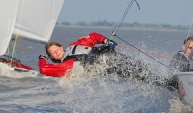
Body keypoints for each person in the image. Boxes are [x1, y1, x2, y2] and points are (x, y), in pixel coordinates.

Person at [38, 32, 176, 89]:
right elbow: (43, 69)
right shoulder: (62, 67)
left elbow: (92, 37)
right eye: (53, 54)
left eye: (56, 49)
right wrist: (42, 59)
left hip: (108, 56)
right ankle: (168, 84)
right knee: (136, 72)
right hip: (104, 67)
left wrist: (105, 40)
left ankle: (167, 76)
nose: (56, 52)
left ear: (61, 47)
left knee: (139, 65)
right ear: (53, 58)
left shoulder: (75, 45)